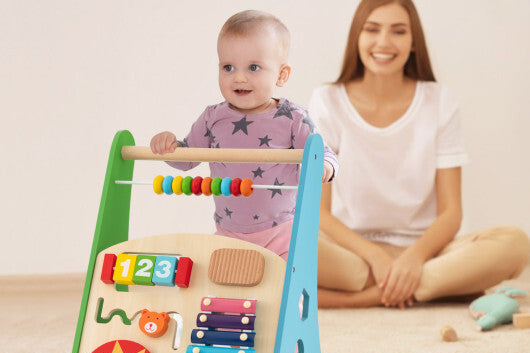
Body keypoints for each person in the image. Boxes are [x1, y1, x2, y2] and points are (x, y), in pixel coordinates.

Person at [309, 0, 530, 308]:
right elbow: (319, 213)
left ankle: (383, 289)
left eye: (398, 31)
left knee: (515, 244)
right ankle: (425, 288)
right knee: (286, 242)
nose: (384, 42)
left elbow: (452, 212)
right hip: (353, 255)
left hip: (427, 254)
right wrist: (374, 255)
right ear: (356, 37)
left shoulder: (439, 100)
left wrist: (413, 259)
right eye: (372, 29)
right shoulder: (327, 101)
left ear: (413, 43)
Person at [151, 10, 338, 261]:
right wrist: (169, 147)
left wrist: (324, 167)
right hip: (230, 232)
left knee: (283, 290)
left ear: (281, 75)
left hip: (283, 230)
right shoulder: (212, 118)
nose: (239, 77)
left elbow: (325, 153)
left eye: (253, 67)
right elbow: (187, 158)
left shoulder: (293, 118)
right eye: (228, 67)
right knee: (228, 288)